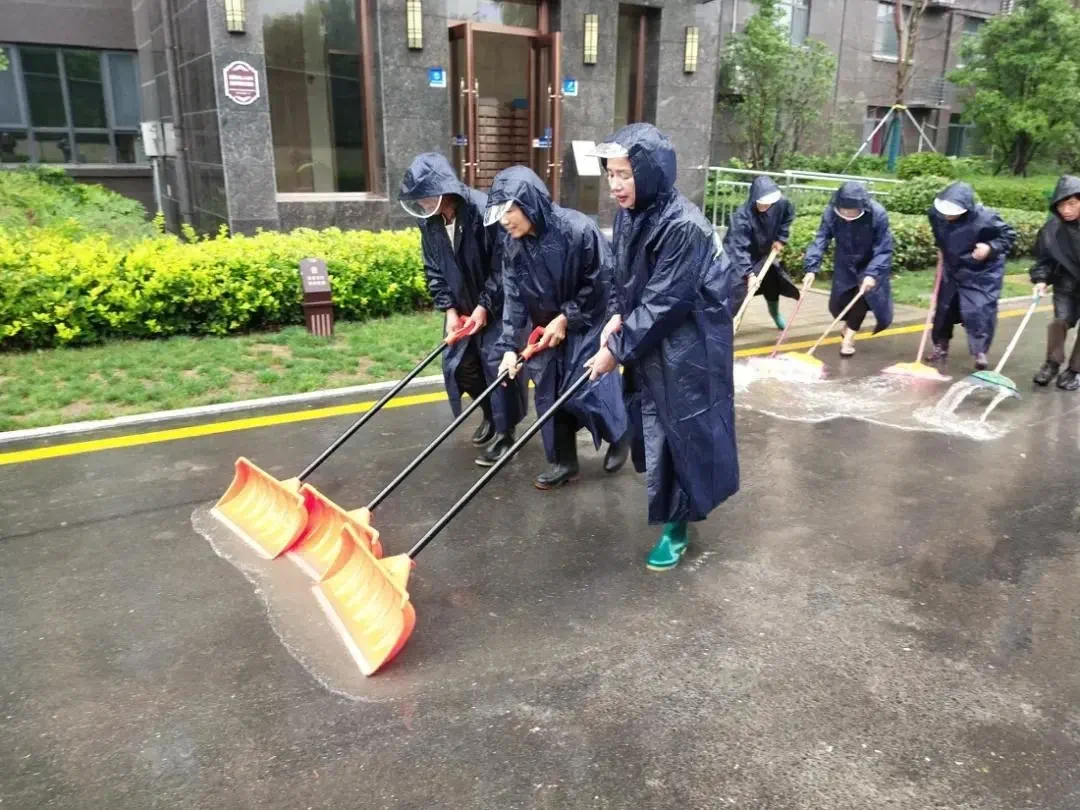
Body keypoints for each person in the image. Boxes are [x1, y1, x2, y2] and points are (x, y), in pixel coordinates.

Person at [584, 123, 740, 572]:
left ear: (650, 172)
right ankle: (674, 508)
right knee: (652, 422)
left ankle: (677, 527)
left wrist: (615, 347)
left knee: (680, 431)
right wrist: (615, 313)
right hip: (651, 335)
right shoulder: (630, 214)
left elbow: (664, 301)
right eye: (611, 174)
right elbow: (621, 274)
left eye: (624, 174)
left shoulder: (684, 225)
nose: (615, 185)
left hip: (690, 342)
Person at [486, 165, 630, 489]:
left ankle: (621, 433)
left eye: (510, 210)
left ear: (530, 203)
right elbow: (513, 299)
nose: (506, 220)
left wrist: (567, 317)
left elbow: (602, 281)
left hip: (589, 319)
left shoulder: (577, 229)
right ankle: (564, 462)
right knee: (550, 393)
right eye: (501, 213)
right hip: (547, 327)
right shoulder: (512, 245)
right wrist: (509, 347)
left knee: (586, 387)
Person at [399, 153, 527, 466]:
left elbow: (504, 267)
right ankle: (490, 414)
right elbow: (434, 267)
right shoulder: (429, 223)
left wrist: (485, 306)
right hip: (463, 305)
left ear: (445, 189)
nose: (424, 203)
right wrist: (450, 310)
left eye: (428, 196)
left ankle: (506, 433)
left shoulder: (485, 212)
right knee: (461, 367)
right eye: (419, 199)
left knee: (497, 367)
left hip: (499, 306)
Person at [927, 181, 1017, 370]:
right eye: (945, 211)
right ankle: (940, 345)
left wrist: (990, 247)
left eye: (952, 212)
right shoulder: (936, 214)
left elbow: (1008, 235)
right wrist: (941, 248)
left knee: (979, 309)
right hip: (952, 266)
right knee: (945, 308)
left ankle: (979, 351)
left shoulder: (985, 218)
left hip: (981, 270)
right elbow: (939, 234)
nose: (947, 215)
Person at [802, 181, 895, 355]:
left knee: (862, 297)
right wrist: (811, 268)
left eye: (851, 211)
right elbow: (821, 238)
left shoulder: (877, 214)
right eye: (843, 210)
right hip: (845, 262)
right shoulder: (831, 212)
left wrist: (872, 273)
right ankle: (848, 327)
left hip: (870, 261)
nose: (846, 214)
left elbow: (884, 248)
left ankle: (849, 337)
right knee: (840, 303)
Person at [724, 176, 799, 330]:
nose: (765, 206)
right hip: (740, 257)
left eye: (768, 203)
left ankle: (775, 313)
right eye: (762, 203)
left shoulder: (780, 203)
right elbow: (738, 248)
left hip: (765, 253)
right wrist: (749, 274)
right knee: (738, 290)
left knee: (772, 282)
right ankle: (729, 324)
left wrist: (781, 239)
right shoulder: (742, 216)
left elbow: (787, 218)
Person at [1030, 175, 1080, 390]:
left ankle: (1075, 370)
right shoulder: (1052, 229)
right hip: (1066, 282)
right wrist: (1041, 279)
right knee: (1059, 321)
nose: (1066, 210)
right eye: (1061, 204)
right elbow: (1045, 259)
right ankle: (1052, 363)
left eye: (1072, 203)